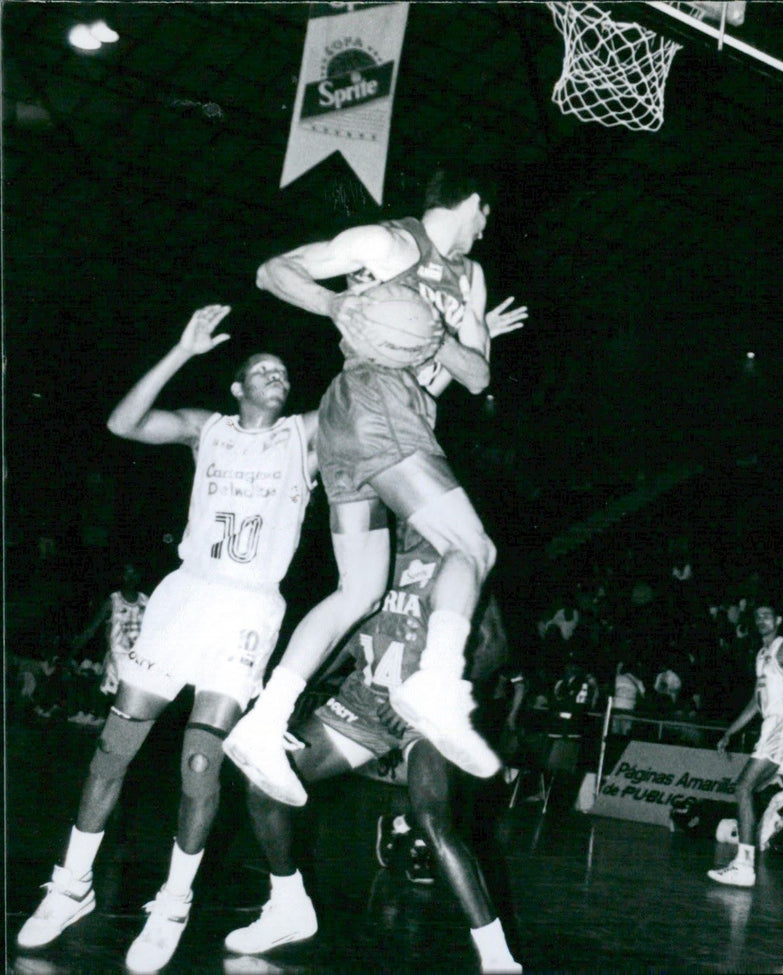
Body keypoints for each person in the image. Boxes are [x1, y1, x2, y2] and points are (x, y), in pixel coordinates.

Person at [17, 305, 318, 974]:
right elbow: (121, 422)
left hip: (246, 612)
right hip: (184, 598)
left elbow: (377, 407)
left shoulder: (307, 435)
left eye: (284, 374)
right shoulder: (203, 428)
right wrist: (182, 349)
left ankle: (174, 901)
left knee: (200, 765)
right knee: (111, 750)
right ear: (237, 387)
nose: (277, 378)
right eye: (262, 371)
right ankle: (72, 885)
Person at [225, 167, 527, 805]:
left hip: (373, 421)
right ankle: (439, 686)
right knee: (472, 549)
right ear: (471, 199)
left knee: (359, 588)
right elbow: (273, 271)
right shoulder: (386, 244)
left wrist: (430, 332)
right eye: (484, 214)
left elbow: (475, 376)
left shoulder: (469, 279)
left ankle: (263, 721)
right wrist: (337, 303)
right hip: (373, 401)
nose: (484, 228)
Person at [224, 521, 522, 974]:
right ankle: (288, 907)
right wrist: (302, 688)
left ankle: (497, 955)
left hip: (422, 712)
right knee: (263, 778)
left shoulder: (455, 550)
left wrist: (423, 694)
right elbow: (343, 636)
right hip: (363, 705)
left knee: (432, 816)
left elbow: (494, 649)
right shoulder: (369, 555)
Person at [708, 601, 783, 888]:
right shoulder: (761, 655)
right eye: (757, 616)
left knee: (743, 787)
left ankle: (744, 866)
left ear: (779, 619)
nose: (761, 620)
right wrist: (730, 732)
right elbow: (756, 704)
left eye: (767, 615)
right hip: (772, 726)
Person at [69, 563, 149, 699]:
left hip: (138, 660)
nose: (131, 578)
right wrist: (71, 653)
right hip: (116, 660)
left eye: (134, 573)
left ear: (139, 576)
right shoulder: (113, 600)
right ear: (121, 576)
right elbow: (91, 629)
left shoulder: (145, 601)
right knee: (112, 700)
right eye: (127, 574)